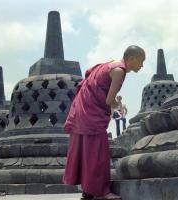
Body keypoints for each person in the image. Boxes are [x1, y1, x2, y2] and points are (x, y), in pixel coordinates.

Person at [62, 45, 145, 200]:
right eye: (141, 61)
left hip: (82, 110)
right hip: (92, 113)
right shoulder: (119, 71)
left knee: (87, 151)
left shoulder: (109, 64)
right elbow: (109, 100)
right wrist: (117, 106)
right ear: (132, 59)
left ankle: (87, 191)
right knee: (98, 152)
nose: (142, 65)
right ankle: (102, 191)